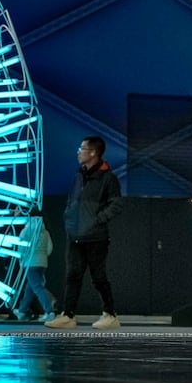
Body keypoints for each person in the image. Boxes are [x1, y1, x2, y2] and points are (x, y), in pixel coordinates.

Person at [45, 136, 123, 330]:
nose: (78, 152)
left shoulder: (108, 178)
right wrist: (69, 220)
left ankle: (110, 315)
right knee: (72, 275)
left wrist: (96, 220)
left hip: (96, 237)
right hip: (75, 236)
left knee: (98, 277)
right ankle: (68, 315)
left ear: (94, 153)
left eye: (82, 148)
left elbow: (116, 204)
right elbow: (72, 203)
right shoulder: (78, 176)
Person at [13, 209, 57, 321]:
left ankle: (49, 311)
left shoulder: (26, 231)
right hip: (42, 263)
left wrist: (22, 261)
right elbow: (49, 248)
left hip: (30, 263)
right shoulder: (45, 231)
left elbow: (21, 247)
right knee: (30, 288)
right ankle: (22, 311)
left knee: (37, 288)